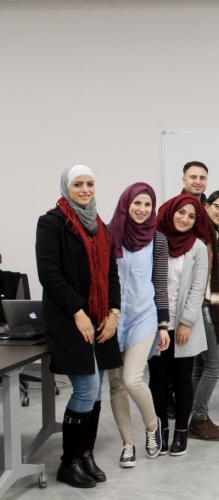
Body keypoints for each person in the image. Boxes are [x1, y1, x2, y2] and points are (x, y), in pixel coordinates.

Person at [36, 165, 121, 488]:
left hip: (101, 319)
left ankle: (85, 454)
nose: (85, 189)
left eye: (90, 183)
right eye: (78, 184)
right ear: (65, 188)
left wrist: (113, 311)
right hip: (70, 319)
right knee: (85, 389)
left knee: (95, 391)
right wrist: (78, 312)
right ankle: (68, 462)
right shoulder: (51, 223)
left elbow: (111, 274)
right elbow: (49, 274)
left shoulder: (99, 226)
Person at [107, 182, 170, 468]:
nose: (142, 210)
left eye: (148, 204)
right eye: (137, 203)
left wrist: (163, 323)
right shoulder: (108, 236)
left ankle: (152, 425)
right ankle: (127, 444)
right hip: (112, 318)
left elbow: (160, 283)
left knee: (133, 378)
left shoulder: (158, 239)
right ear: (126, 203)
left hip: (144, 316)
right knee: (117, 384)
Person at [150, 194, 210, 457]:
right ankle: (160, 429)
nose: (185, 219)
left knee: (183, 379)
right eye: (181, 213)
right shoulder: (154, 240)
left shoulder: (198, 246)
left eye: (191, 216)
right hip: (155, 324)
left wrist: (185, 322)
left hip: (185, 325)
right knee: (158, 380)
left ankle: (181, 433)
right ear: (170, 211)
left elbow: (198, 287)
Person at [188, 190, 219, 441]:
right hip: (202, 304)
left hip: (209, 303)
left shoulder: (214, 233)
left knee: (201, 366)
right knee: (216, 365)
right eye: (218, 206)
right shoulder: (200, 233)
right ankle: (199, 418)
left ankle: (194, 417)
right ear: (206, 206)